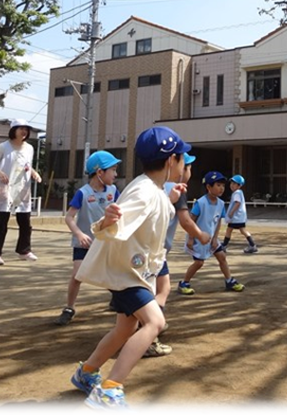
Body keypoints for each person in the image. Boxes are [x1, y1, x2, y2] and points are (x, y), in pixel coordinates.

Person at [70, 126, 190, 415]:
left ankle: (87, 372)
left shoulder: (153, 189)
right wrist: (107, 221)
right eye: (183, 158)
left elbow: (151, 210)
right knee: (155, 322)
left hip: (133, 272)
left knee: (125, 328)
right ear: (171, 160)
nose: (185, 165)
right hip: (127, 274)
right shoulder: (145, 192)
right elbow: (116, 222)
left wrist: (169, 200)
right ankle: (110, 389)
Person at [147, 152, 211, 358]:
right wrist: (200, 235)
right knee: (161, 290)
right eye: (187, 166)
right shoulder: (177, 190)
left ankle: (153, 324)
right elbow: (185, 221)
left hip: (143, 248)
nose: (189, 171)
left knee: (153, 289)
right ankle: (149, 333)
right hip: (155, 252)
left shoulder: (152, 185)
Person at [54, 151, 121, 326]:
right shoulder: (82, 193)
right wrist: (79, 234)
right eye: (112, 170)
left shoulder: (113, 191)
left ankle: (117, 297)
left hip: (105, 243)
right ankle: (69, 308)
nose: (116, 174)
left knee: (108, 274)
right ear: (99, 172)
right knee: (77, 275)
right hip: (84, 244)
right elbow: (69, 217)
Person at [177, 171, 245, 295]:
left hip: (211, 238)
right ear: (208, 187)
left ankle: (229, 280)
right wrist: (191, 238)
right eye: (218, 185)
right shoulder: (200, 203)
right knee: (199, 263)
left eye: (223, 185)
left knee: (222, 257)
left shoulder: (220, 203)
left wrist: (215, 238)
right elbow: (191, 221)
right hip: (198, 239)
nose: (222, 188)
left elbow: (218, 221)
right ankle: (184, 283)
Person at [0, 119, 42, 265]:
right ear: (13, 130)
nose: (24, 132)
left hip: (22, 188)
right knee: (2, 222)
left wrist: (34, 173)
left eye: (26, 129)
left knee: (25, 222)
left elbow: (27, 166)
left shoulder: (29, 148)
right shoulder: (3, 147)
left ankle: (24, 250)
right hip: (4, 187)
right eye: (20, 128)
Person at [222, 174, 258, 254]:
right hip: (239, 217)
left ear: (239, 185)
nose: (232, 185)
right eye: (231, 183)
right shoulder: (239, 192)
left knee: (232, 230)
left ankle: (224, 245)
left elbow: (237, 203)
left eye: (234, 184)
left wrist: (231, 212)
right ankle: (252, 245)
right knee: (238, 230)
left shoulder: (237, 193)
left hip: (236, 217)